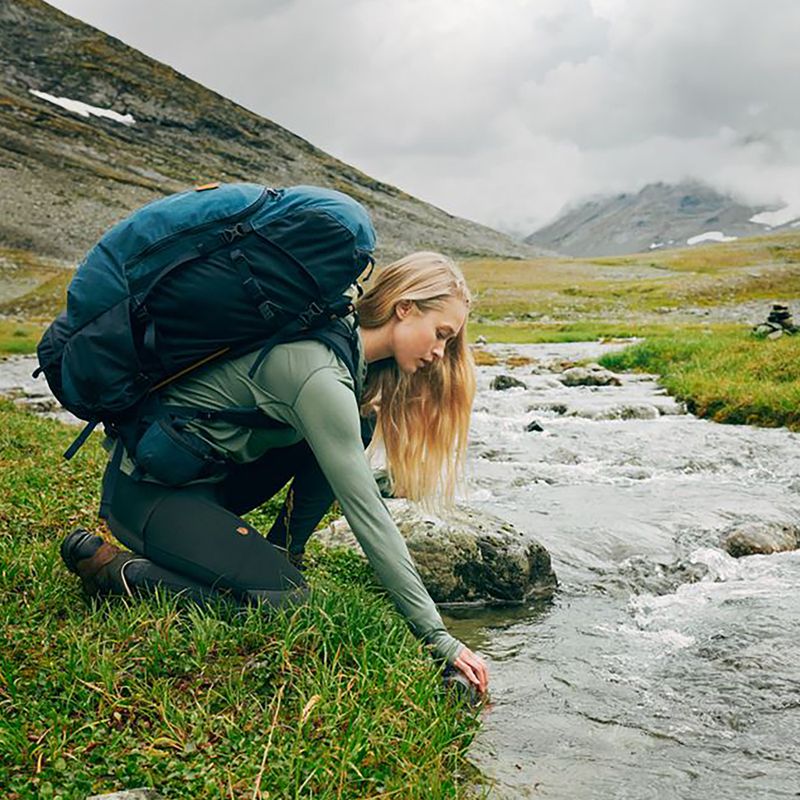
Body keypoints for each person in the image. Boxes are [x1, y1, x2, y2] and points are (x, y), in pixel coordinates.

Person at [60, 251, 490, 695]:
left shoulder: (342, 347)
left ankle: (283, 555)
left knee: (356, 424)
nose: (439, 354)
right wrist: (436, 634)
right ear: (405, 308)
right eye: (440, 334)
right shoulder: (320, 374)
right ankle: (116, 571)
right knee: (288, 602)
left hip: (203, 480)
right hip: (147, 497)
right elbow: (368, 514)